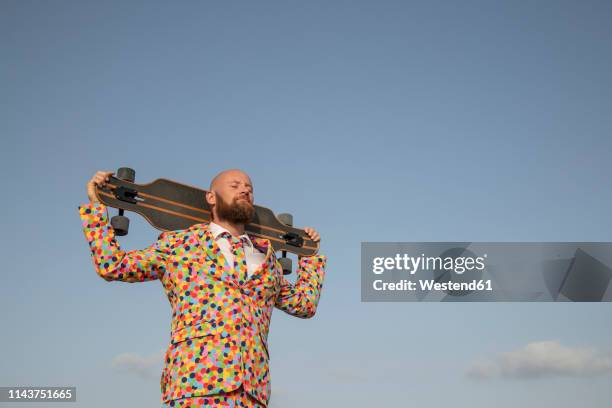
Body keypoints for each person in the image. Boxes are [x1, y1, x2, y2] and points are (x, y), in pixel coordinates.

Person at [78, 169, 326, 407]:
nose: (244, 190)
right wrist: (95, 206)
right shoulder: (180, 244)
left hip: (252, 393)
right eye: (235, 185)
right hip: (195, 387)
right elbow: (113, 265)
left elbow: (304, 305)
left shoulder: (267, 258)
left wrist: (309, 255)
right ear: (211, 197)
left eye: (249, 188)